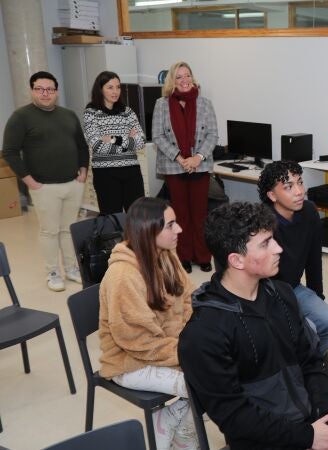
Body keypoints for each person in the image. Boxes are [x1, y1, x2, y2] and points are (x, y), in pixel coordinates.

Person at [178, 202, 328, 450]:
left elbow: (311, 360)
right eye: (266, 243)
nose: (279, 248)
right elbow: (236, 419)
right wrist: (307, 437)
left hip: (312, 421)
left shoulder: (282, 294)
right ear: (237, 260)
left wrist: (322, 413)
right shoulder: (204, 333)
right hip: (264, 441)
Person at [98, 197, 197, 450]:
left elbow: (188, 298)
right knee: (209, 380)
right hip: (130, 362)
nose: (180, 229)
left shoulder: (165, 254)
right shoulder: (123, 276)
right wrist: (187, 352)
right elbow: (138, 342)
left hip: (167, 349)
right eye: (171, 225)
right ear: (149, 230)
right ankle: (175, 434)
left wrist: (193, 340)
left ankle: (173, 423)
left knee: (220, 370)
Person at [2, 71, 88, 292]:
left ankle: (71, 268)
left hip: (72, 183)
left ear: (56, 92)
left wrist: (83, 171)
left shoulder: (68, 115)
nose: (45, 93)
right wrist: (30, 181)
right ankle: (52, 272)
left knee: (68, 229)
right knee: (49, 231)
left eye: (50, 89)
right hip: (43, 187)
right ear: (32, 91)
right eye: (40, 89)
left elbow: (81, 145)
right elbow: (10, 152)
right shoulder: (21, 117)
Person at [257, 160, 328, 355]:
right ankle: (292, 371)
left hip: (294, 288)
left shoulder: (309, 211)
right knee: (305, 331)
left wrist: (318, 297)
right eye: (288, 187)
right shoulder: (261, 222)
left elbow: (314, 260)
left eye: (300, 183)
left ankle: (305, 367)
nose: (299, 191)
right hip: (266, 295)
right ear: (272, 195)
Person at [152, 61, 218, 274]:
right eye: (179, 77)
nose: (184, 80)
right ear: (172, 81)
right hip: (174, 166)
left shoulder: (205, 103)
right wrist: (180, 158)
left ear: (193, 77)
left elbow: (212, 135)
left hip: (200, 165)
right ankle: (184, 256)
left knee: (200, 214)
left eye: (187, 75)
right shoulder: (161, 104)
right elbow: (158, 136)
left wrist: (197, 157)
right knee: (179, 215)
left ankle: (203, 255)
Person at [83, 71, 145, 214]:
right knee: (111, 219)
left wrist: (113, 139)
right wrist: (128, 143)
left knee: (137, 217)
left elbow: (140, 141)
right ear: (100, 89)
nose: (115, 91)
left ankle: (133, 239)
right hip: (105, 174)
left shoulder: (127, 112)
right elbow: (97, 146)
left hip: (131, 172)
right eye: (110, 87)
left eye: (118, 87)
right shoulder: (91, 112)